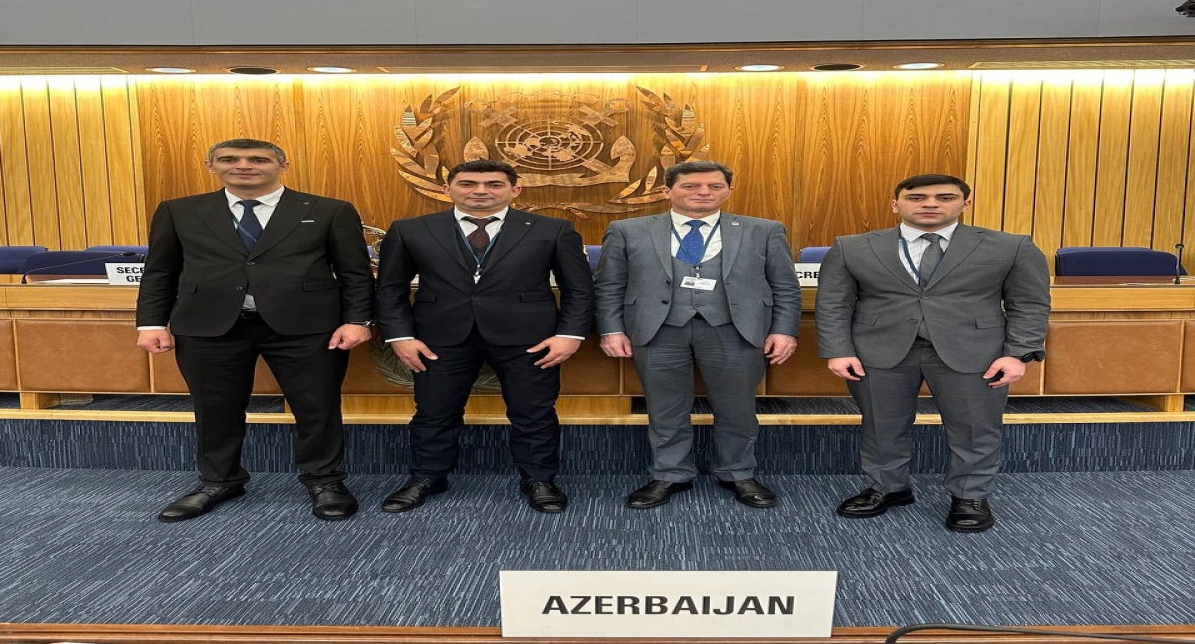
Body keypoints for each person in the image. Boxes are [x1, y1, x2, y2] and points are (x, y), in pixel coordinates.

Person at [136, 139, 374, 523]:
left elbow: (355, 272)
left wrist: (357, 320)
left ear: (283, 165)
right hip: (208, 326)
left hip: (307, 326)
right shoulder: (179, 211)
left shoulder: (329, 210)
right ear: (211, 165)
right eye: (229, 159)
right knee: (214, 409)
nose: (244, 165)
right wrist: (151, 323)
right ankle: (219, 480)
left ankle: (325, 481)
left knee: (317, 407)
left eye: (258, 159)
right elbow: (160, 271)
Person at [815, 174, 1050, 533]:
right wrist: (837, 350)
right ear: (895, 204)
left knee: (974, 428)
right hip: (879, 350)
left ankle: (970, 496)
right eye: (917, 197)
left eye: (944, 197)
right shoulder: (852, 247)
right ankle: (888, 487)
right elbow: (833, 303)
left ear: (965, 204)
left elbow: (1030, 304)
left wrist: (1017, 354)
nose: (930, 204)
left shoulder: (1010, 246)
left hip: (975, 351)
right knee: (881, 424)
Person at [375, 160, 594, 514]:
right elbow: (389, 289)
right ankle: (426, 477)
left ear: (515, 190)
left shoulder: (553, 229)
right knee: (433, 412)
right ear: (447, 189)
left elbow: (579, 288)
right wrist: (400, 336)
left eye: (493, 184)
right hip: (439, 337)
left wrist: (569, 334)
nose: (480, 191)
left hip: (529, 338)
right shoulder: (410, 229)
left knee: (533, 413)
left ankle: (539, 479)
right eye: (468, 183)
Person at [594, 161, 801, 510]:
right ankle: (669, 473)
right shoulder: (627, 230)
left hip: (735, 330)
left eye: (714, 186)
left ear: (729, 191)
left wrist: (784, 330)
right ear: (667, 191)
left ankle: (738, 473)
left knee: (737, 408)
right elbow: (609, 285)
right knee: (665, 408)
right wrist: (611, 329)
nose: (703, 192)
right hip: (658, 330)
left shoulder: (763, 230)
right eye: (691, 186)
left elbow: (785, 286)